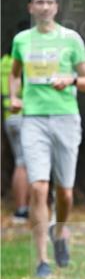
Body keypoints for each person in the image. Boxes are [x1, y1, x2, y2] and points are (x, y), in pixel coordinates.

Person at [9, 0, 85, 277]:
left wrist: (69, 80)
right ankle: (42, 260)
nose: (44, 7)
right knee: (37, 187)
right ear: (31, 8)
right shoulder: (21, 40)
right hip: (32, 119)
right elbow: (14, 73)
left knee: (65, 193)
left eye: (49, 2)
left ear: (56, 8)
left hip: (65, 119)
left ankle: (60, 233)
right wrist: (15, 96)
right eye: (39, 2)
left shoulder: (71, 39)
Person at [1, 42, 29, 223]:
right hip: (26, 115)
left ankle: (20, 208)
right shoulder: (27, 62)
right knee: (26, 163)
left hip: (8, 116)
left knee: (19, 161)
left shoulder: (3, 62)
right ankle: (25, 208)